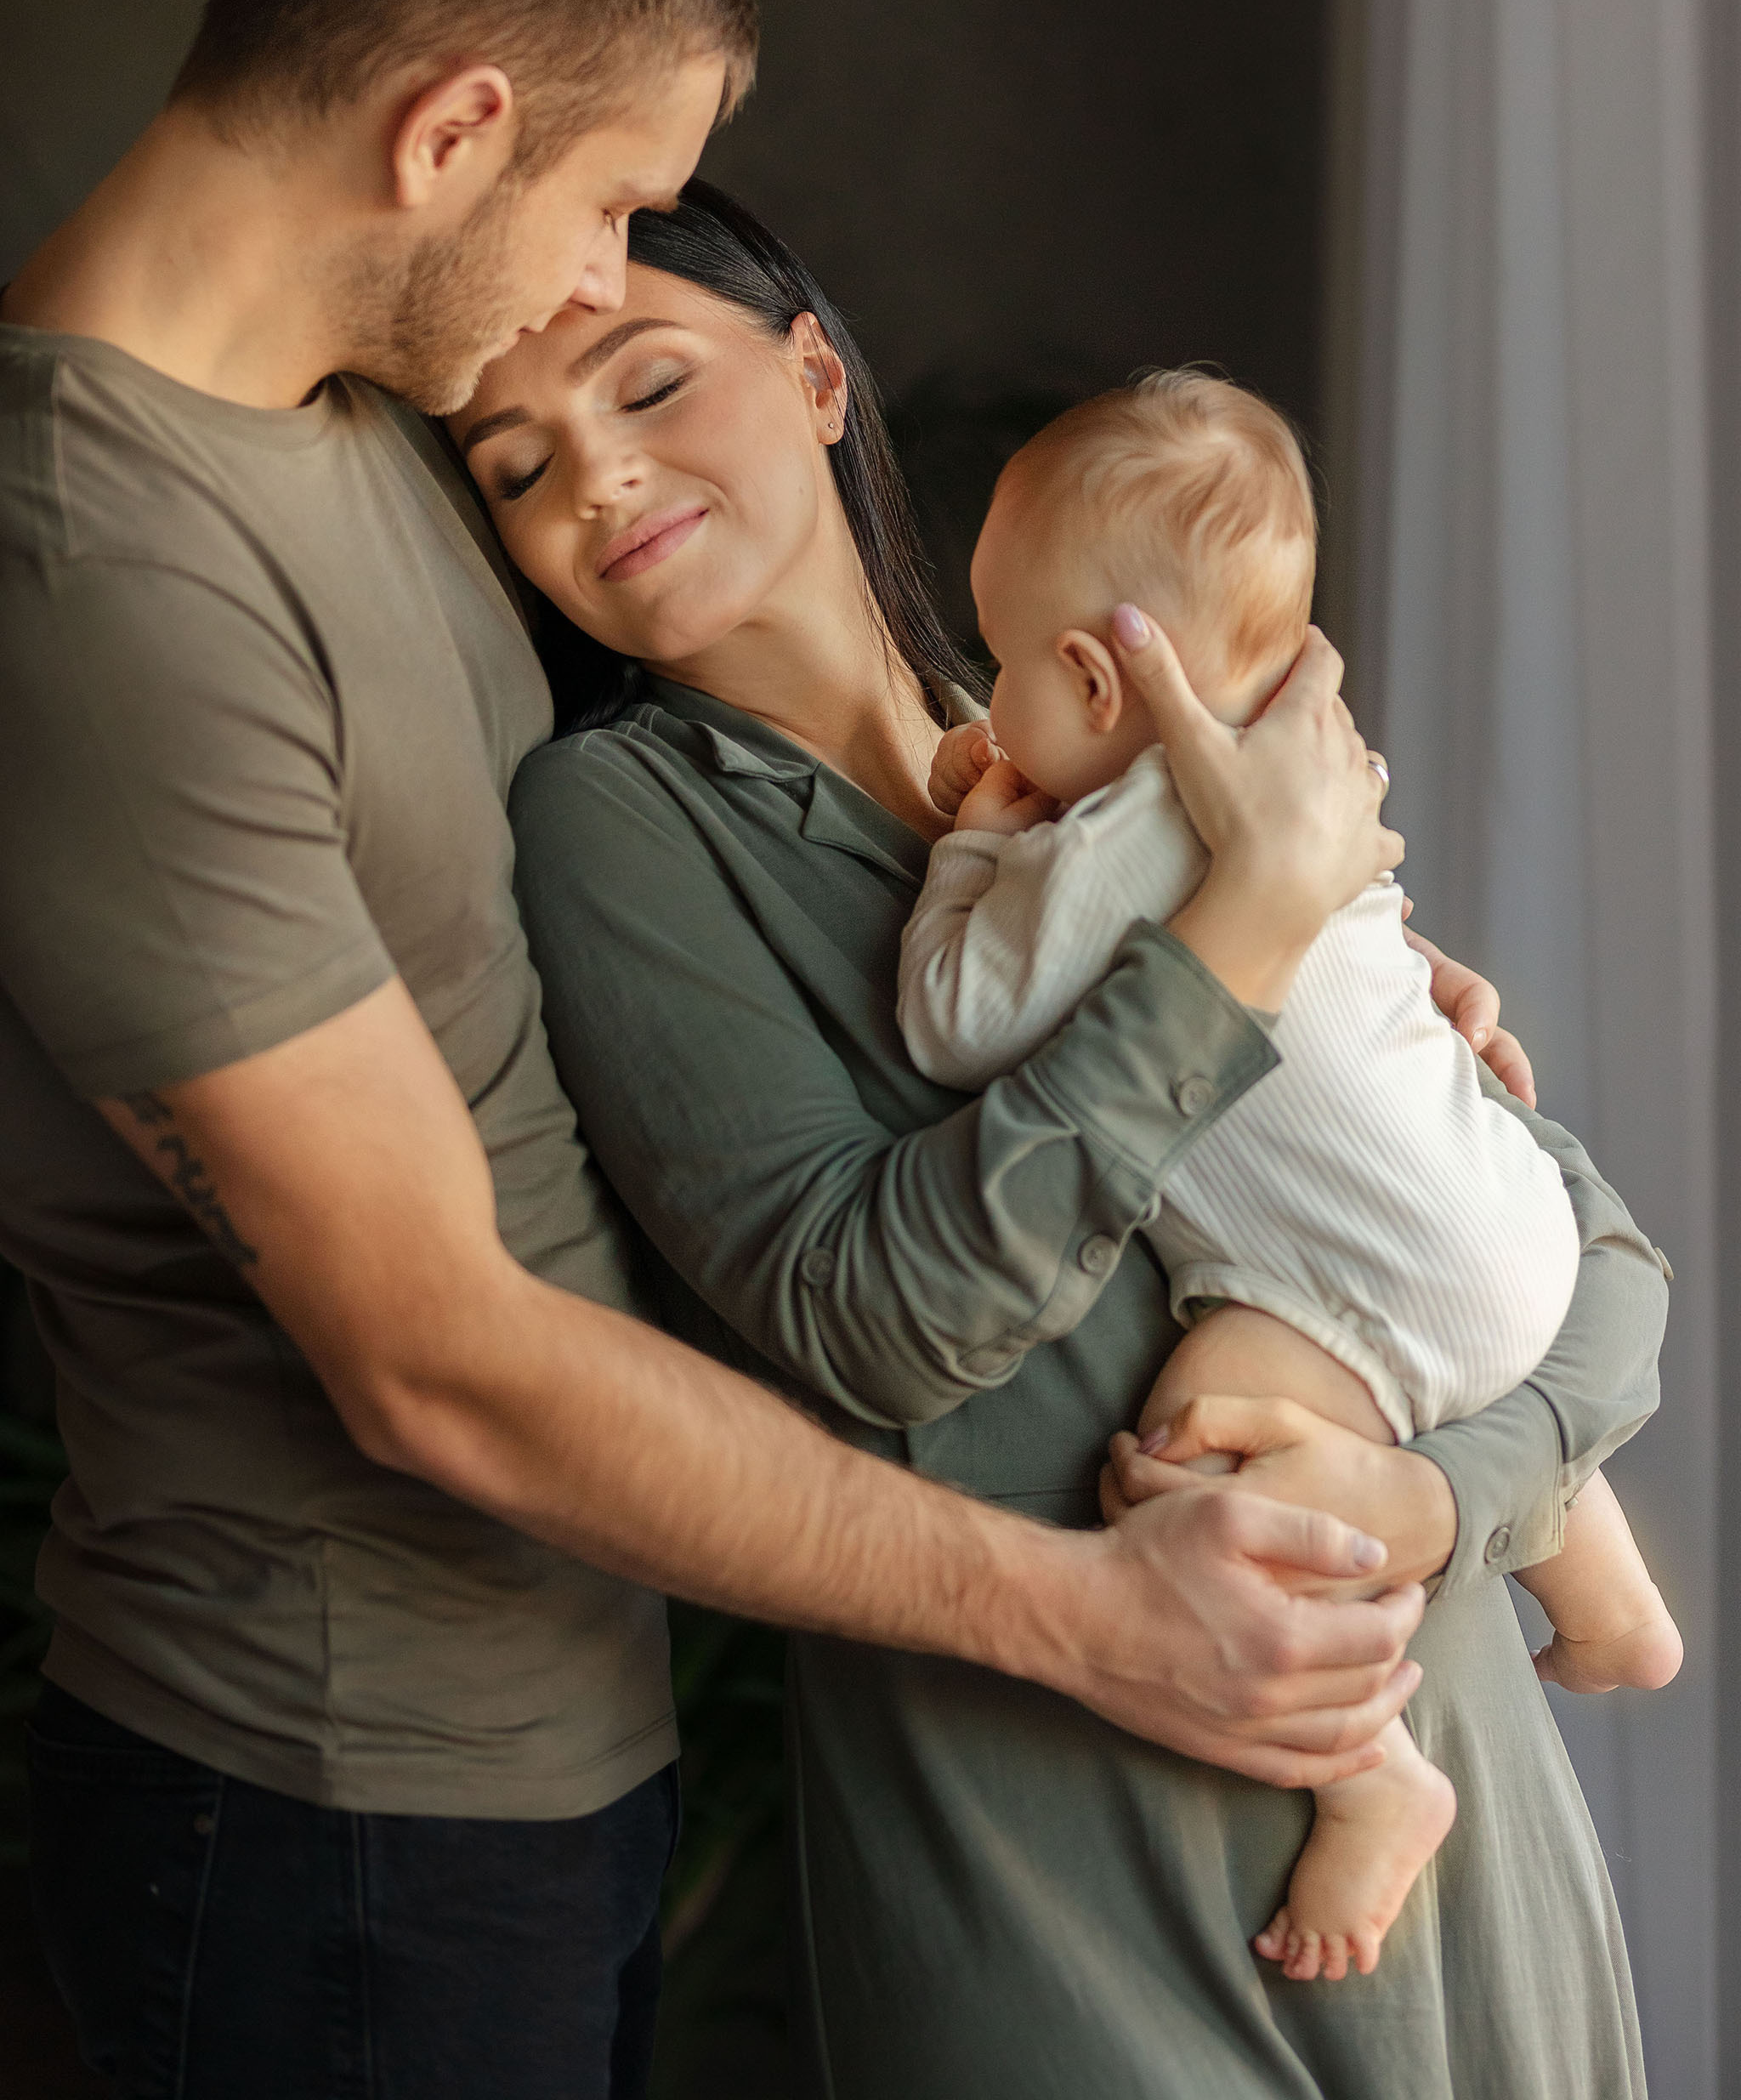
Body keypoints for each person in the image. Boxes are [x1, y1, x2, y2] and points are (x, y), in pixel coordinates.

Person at [0, 0, 1426, 2098]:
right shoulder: (96, 568)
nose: (597, 280)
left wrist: (1310, 975)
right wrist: (1077, 1617)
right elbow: (428, 1350)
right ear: (448, 132)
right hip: (323, 1800)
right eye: (608, 197)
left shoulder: (347, 416)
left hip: (545, 1754)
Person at [469, 180, 1668, 2100]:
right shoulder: (622, 828)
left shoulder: (1114, 733)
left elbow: (1595, 1267)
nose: (597, 482)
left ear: (812, 377)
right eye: (520, 463)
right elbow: (875, 1321)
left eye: (651, 384)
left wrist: (1449, 1502)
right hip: (1064, 1874)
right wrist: (1247, 931)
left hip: (1449, 1815)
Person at [895, 366, 1682, 1983]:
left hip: (1347, 1293)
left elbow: (954, 1023)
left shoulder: (1101, 845)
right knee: (1477, 1347)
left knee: (1184, 1464)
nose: (985, 701)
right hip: (1508, 1212)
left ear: (1093, 686)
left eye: (998, 664)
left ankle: (1372, 1774)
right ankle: (1614, 1610)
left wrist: (975, 839)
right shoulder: (1300, 765)